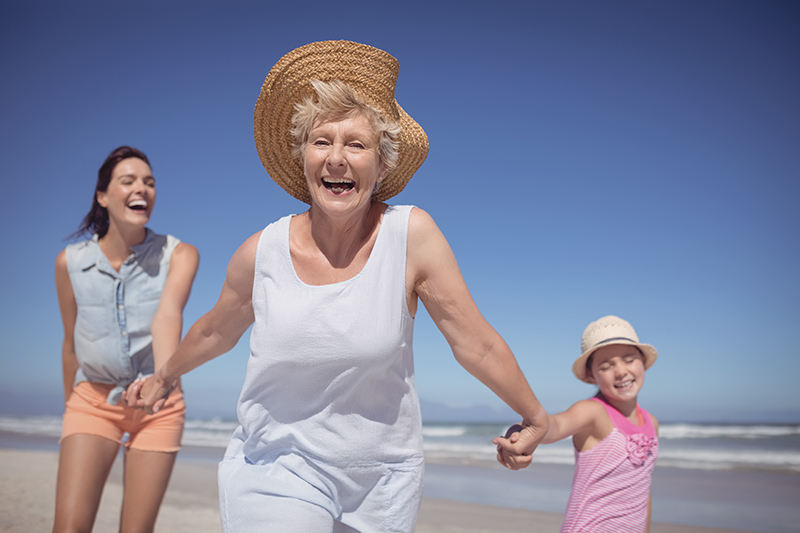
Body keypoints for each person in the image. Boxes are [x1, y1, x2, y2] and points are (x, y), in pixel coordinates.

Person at [130, 40, 547, 532]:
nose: (337, 158)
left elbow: (473, 340)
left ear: (382, 163)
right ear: (302, 156)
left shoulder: (411, 237)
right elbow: (215, 331)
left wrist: (535, 416)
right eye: (321, 141)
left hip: (382, 479)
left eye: (356, 144)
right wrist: (162, 377)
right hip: (277, 467)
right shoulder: (260, 252)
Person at [53, 146, 199, 532]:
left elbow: (167, 317)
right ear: (102, 196)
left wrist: (160, 384)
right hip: (92, 401)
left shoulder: (179, 254)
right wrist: (73, 408)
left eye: (149, 182)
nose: (142, 189)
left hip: (159, 407)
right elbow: (70, 342)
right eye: (129, 181)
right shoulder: (69, 263)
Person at [507, 315, 659, 533]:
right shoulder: (593, 412)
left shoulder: (652, 423)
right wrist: (519, 433)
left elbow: (643, 487)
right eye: (606, 366)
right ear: (591, 375)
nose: (621, 371)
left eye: (629, 359)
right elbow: (553, 426)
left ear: (643, 362)